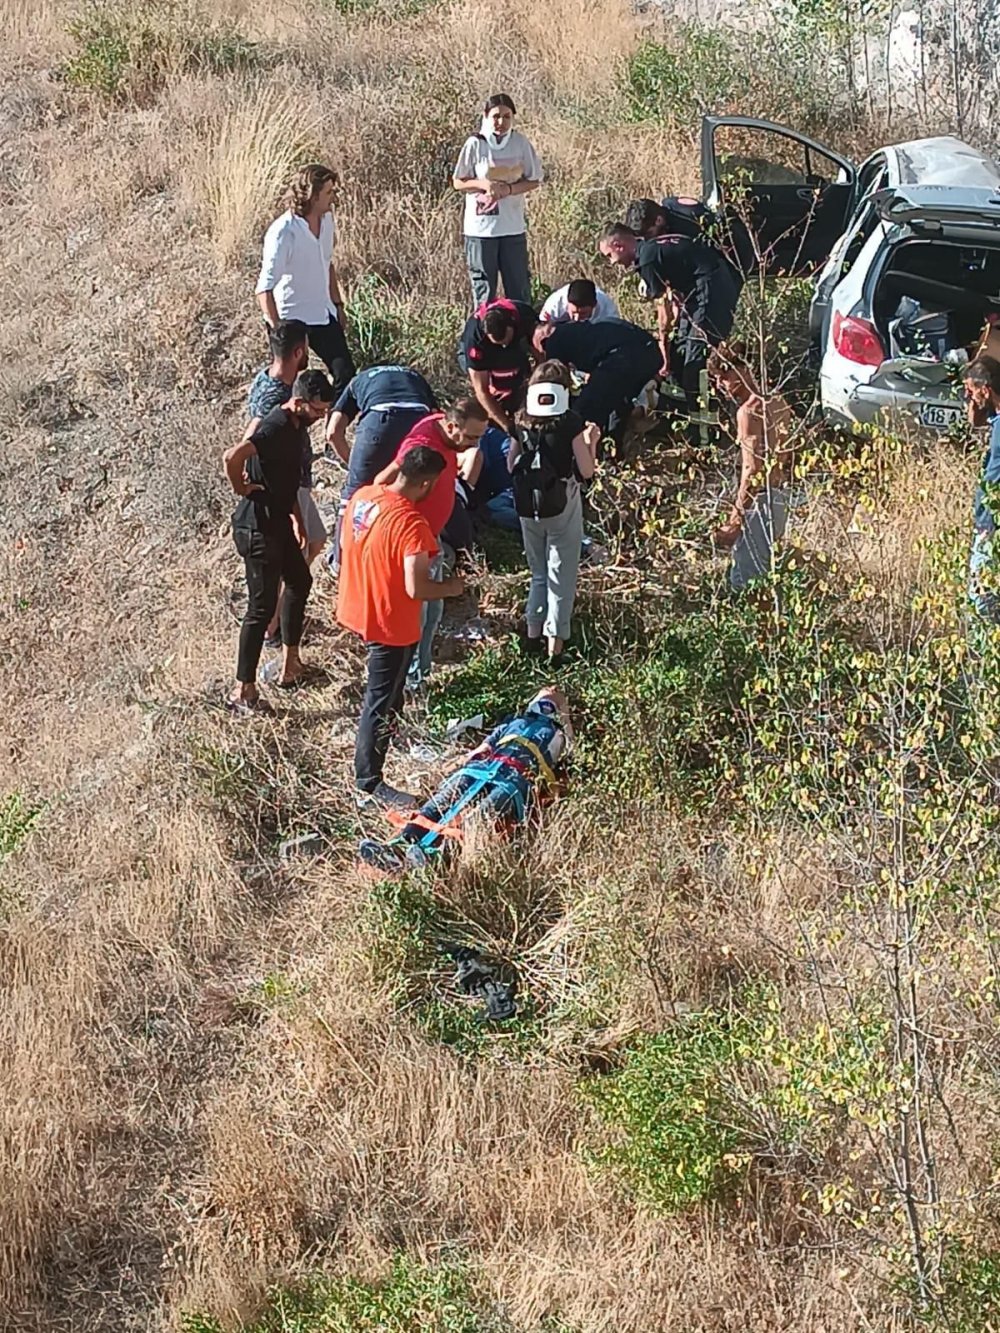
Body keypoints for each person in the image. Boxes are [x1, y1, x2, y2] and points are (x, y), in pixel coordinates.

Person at [338, 448, 466, 810]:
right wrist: (452, 588)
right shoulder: (412, 524)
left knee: (390, 694)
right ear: (425, 483)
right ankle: (369, 781)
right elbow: (417, 588)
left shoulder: (364, 498)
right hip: (391, 622)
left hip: (359, 606)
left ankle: (389, 738)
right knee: (378, 701)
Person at [357, 686, 572, 873]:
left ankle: (440, 858)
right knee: (439, 804)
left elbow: (568, 749)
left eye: (551, 701)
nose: (545, 704)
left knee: (479, 818)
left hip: (516, 780)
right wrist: (460, 763)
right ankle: (398, 847)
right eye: (543, 699)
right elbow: (484, 747)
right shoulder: (515, 722)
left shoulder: (559, 735)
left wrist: (566, 717)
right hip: (482, 768)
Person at [224, 369, 335, 713]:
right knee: (259, 608)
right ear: (299, 402)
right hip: (256, 527)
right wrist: (240, 487)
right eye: (317, 410)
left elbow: (284, 477)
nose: (321, 417)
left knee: (300, 580)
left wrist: (299, 520)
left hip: (279, 524)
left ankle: (291, 666)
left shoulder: (297, 427)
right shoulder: (274, 426)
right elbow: (233, 456)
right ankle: (243, 691)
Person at [375, 399, 489, 687]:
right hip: (414, 544)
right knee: (419, 615)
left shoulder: (441, 427)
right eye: (472, 437)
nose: (475, 444)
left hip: (431, 540)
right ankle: (409, 679)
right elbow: (384, 481)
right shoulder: (421, 444)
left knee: (433, 612)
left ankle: (421, 672)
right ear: (452, 427)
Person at [599, 220, 743, 415]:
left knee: (695, 364)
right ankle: (686, 411)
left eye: (610, 256)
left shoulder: (648, 259)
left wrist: (663, 343)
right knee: (681, 353)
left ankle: (707, 425)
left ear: (619, 245)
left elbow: (663, 311)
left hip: (712, 293)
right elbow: (674, 294)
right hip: (699, 292)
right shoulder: (650, 247)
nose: (613, 262)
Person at [508, 361, 600, 661]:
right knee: (561, 576)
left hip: (526, 506)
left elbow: (511, 465)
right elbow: (587, 472)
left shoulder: (520, 420)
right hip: (562, 503)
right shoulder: (569, 422)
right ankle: (555, 648)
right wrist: (592, 443)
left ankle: (532, 637)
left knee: (538, 574)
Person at [246, 321, 327, 647]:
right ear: (298, 351)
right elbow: (252, 440)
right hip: (287, 486)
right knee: (298, 552)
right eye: (306, 347)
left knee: (317, 539)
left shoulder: (268, 379)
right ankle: (274, 624)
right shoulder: (278, 395)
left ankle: (278, 613)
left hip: (297, 482)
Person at [255, 163, 356, 398]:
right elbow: (264, 289)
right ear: (313, 194)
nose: (333, 198)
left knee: (345, 373)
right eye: (329, 192)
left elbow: (327, 263)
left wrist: (338, 305)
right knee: (285, 385)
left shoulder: (327, 221)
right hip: (291, 319)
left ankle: (333, 426)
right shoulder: (283, 232)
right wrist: (280, 331)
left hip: (322, 313)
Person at [325, 364, 438, 567]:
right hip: (418, 422)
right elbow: (436, 418)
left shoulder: (357, 381)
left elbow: (333, 432)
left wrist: (356, 466)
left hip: (380, 421)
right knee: (410, 492)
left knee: (355, 495)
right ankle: (406, 557)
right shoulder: (415, 377)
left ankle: (341, 563)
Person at [707, 343, 795, 591]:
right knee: (768, 577)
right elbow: (787, 455)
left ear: (744, 369)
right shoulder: (778, 401)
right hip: (781, 498)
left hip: (760, 503)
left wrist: (736, 520)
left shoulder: (748, 412)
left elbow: (753, 470)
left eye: (725, 376)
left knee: (744, 584)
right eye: (717, 379)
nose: (722, 385)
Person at [453, 93, 543, 307]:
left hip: (512, 228)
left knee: (519, 290)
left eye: (506, 116)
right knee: (484, 291)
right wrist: (485, 185)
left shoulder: (520, 143)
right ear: (486, 116)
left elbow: (534, 180)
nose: (501, 122)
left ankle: (521, 336)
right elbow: (458, 182)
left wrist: (509, 189)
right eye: (496, 116)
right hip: (481, 230)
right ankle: (484, 335)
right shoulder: (475, 144)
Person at [532, 316, 661, 435]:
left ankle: (584, 450)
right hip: (650, 352)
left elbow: (554, 384)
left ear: (543, 339)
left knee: (585, 409)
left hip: (621, 358)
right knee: (617, 402)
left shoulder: (552, 341)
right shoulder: (577, 328)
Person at [458, 298, 538, 435]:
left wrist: (534, 387)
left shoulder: (525, 315)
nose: (503, 345)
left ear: (511, 325)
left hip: (517, 348)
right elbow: (481, 390)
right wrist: (507, 426)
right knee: (489, 399)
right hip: (483, 358)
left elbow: (541, 356)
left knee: (517, 382)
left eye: (505, 340)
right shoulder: (475, 337)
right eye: (498, 343)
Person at [964, 355, 1000, 624]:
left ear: (986, 390)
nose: (969, 397)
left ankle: (985, 653)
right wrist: (973, 401)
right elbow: (974, 422)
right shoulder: (995, 416)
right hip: (987, 516)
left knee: (980, 596)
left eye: (972, 391)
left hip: (993, 519)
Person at [539, 278, 619, 325]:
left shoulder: (608, 310)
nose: (577, 318)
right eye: (573, 312)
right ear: (567, 303)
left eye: (583, 313)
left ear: (594, 305)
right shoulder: (554, 305)